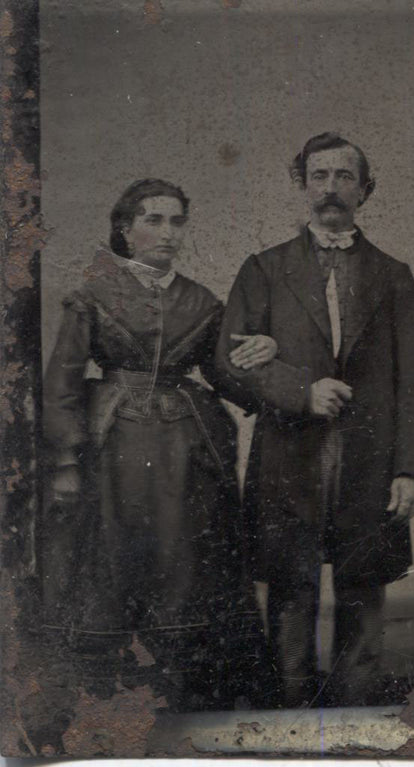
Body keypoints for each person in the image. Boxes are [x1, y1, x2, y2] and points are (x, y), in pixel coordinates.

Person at [42, 178, 278, 709]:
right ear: (125, 230)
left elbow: (226, 376)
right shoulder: (91, 294)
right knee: (114, 557)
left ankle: (187, 691)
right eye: (153, 220)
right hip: (112, 445)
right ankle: (115, 698)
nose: (167, 232)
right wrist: (63, 461)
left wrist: (264, 352)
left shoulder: (200, 300)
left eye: (176, 221)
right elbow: (61, 381)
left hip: (188, 448)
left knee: (188, 561)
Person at [215, 133, 414, 708]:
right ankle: (290, 717)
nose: (330, 188)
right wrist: (300, 391)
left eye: (343, 176)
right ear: (302, 185)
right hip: (290, 451)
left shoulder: (393, 275)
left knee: (363, 583)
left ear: (365, 190)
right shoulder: (264, 269)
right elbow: (226, 363)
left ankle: (355, 718)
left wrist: (412, 470)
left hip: (370, 455)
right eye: (318, 176)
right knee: (292, 583)